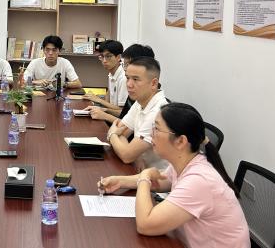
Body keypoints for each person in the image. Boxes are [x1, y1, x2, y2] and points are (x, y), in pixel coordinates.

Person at [101, 103, 249, 248]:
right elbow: (161, 182)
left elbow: (145, 224)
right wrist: (121, 181)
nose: (151, 134)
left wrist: (145, 176)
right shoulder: (187, 161)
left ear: (180, 141)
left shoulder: (199, 180)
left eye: (157, 129)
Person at [106, 56, 168, 170]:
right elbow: (121, 131)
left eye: (135, 79)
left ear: (153, 83)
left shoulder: (158, 112)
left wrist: (112, 135)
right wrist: (134, 155)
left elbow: (126, 156)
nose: (129, 84)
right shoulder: (140, 101)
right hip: (138, 171)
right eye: (127, 78)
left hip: (158, 178)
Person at [84, 43, 156, 123]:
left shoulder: (155, 107)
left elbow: (128, 125)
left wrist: (104, 112)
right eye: (125, 65)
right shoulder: (137, 96)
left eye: (136, 79)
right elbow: (126, 120)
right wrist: (103, 109)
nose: (129, 84)